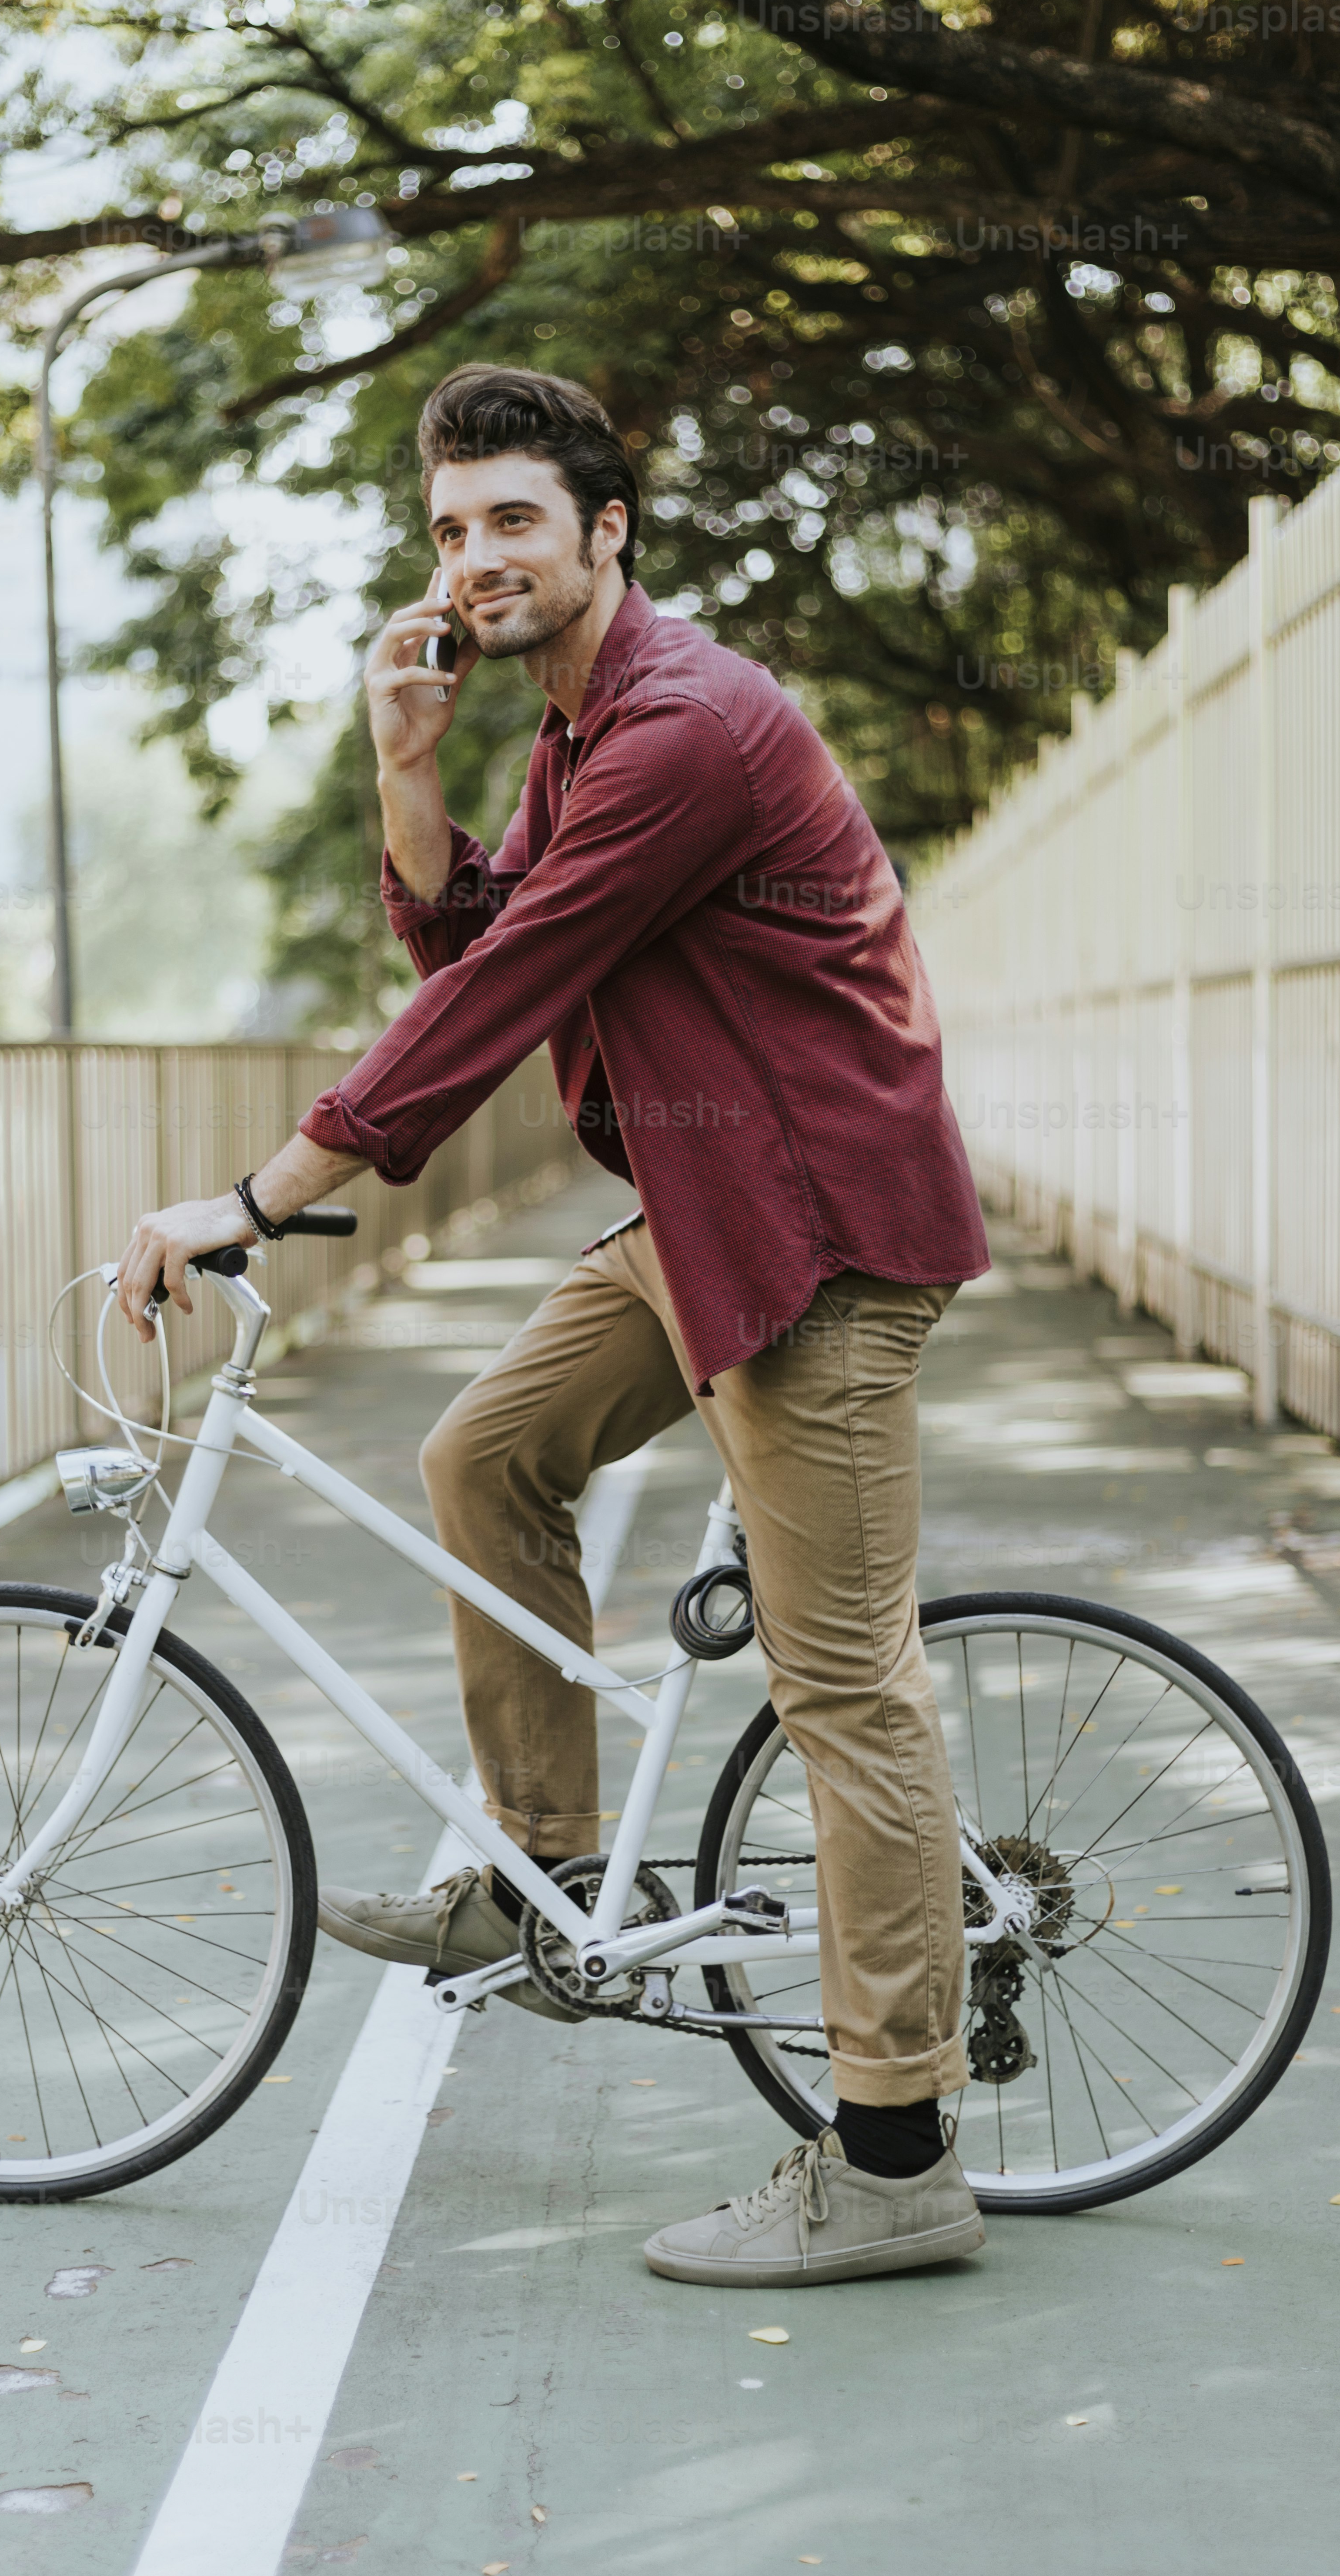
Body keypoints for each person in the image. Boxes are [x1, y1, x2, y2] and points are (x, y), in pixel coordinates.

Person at [115, 364, 992, 2289]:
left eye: (514, 518)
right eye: (446, 530)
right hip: (712, 1207)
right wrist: (405, 763)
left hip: (820, 1235)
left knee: (843, 1687)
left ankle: (896, 2152)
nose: (474, 558)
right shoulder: (572, 733)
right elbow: (474, 931)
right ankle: (550, 1881)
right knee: (485, 1453)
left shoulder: (681, 727)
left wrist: (254, 1198)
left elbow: (504, 990)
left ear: (609, 533)